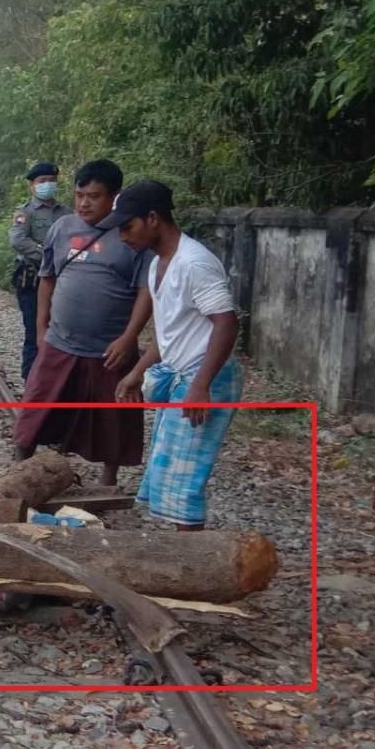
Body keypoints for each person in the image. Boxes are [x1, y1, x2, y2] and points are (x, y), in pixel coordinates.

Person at [109, 180, 240, 531]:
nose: (122, 236)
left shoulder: (194, 263)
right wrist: (137, 371)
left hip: (204, 376)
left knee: (184, 481)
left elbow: (227, 323)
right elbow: (171, 334)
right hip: (183, 374)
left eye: (128, 226)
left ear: (153, 218)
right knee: (167, 471)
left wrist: (200, 386)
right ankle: (183, 550)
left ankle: (191, 555)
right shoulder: (158, 265)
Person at [12, 160, 152, 486]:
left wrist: (129, 337)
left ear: (114, 196)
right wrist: (41, 328)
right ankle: (18, 473)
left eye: (94, 196)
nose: (84, 203)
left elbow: (146, 292)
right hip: (60, 341)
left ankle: (108, 481)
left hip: (110, 347)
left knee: (113, 417)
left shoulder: (130, 233)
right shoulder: (62, 228)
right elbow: (47, 278)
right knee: (36, 407)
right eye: (79, 195)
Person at [9, 163, 73, 380]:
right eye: (42, 181)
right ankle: (31, 380)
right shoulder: (25, 212)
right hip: (32, 280)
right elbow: (17, 239)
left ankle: (55, 379)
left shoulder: (66, 212)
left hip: (62, 280)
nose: (48, 185)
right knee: (34, 330)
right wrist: (47, 254)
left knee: (61, 331)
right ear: (32, 185)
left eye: (51, 180)